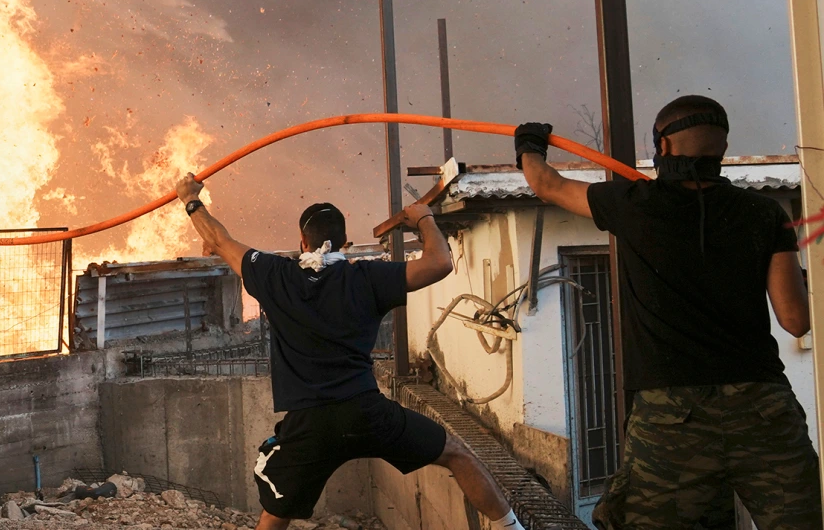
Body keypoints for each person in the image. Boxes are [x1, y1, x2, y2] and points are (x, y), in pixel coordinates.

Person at [515, 95, 821, 529]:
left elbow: (548, 185)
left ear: (663, 147)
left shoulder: (632, 203)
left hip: (671, 419)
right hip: (763, 409)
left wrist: (530, 144)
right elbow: (796, 320)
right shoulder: (764, 213)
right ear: (722, 148)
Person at [173, 173, 524, 530]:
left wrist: (190, 200)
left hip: (309, 424)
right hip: (365, 412)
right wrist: (424, 218)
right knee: (457, 454)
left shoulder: (275, 274)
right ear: (346, 244)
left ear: (301, 242)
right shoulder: (367, 277)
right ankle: (513, 528)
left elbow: (220, 238)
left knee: (276, 516)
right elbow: (440, 262)